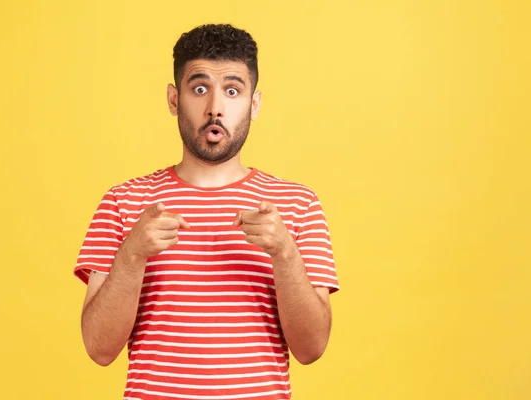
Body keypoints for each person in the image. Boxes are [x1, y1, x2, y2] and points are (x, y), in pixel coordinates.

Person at [74, 23, 340, 400]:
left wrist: (285, 253)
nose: (215, 108)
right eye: (200, 89)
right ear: (173, 99)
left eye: (232, 91)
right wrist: (132, 254)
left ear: (254, 103)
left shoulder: (298, 205)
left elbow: (311, 349)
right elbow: (99, 349)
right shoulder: (123, 202)